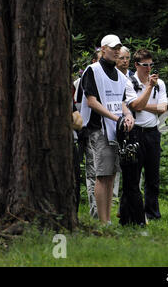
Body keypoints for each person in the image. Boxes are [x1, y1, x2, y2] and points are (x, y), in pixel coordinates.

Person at [80, 34, 134, 224]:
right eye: (113, 48)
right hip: (98, 129)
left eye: (119, 48)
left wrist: (127, 116)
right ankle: (103, 222)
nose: (117, 51)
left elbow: (121, 102)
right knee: (102, 175)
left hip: (116, 131)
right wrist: (116, 117)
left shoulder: (120, 76)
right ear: (103, 49)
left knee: (111, 175)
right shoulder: (92, 70)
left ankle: (108, 219)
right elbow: (91, 101)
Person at [125, 49, 168, 221]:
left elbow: (163, 108)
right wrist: (149, 89)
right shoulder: (129, 82)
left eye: (151, 65)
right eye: (145, 65)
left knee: (153, 177)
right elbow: (135, 105)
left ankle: (152, 213)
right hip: (135, 132)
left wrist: (144, 104)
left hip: (152, 132)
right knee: (133, 176)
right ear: (136, 65)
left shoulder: (160, 83)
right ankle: (132, 213)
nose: (149, 69)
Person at [74, 48, 103, 218]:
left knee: (96, 173)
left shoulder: (106, 81)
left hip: (97, 131)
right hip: (83, 131)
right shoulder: (81, 81)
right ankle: (85, 212)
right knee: (83, 172)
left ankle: (97, 212)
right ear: (93, 62)